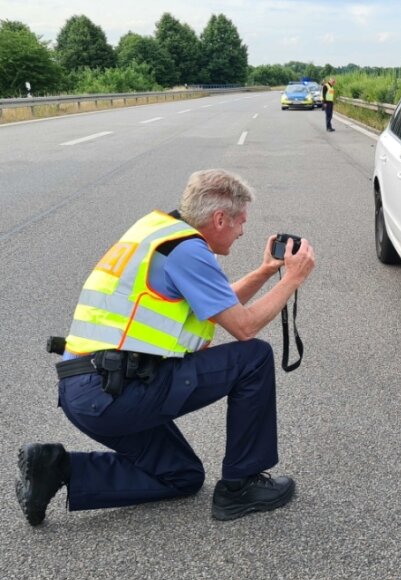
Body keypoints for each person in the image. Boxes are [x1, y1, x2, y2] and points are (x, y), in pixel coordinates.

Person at [15, 169, 316, 525]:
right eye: (240, 222)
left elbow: (221, 305)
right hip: (114, 393)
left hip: (87, 390)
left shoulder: (162, 233)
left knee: (183, 476)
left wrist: (266, 272)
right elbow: (245, 327)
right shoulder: (188, 251)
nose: (243, 230)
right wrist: (293, 279)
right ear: (219, 219)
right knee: (253, 358)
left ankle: (55, 467)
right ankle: (240, 487)